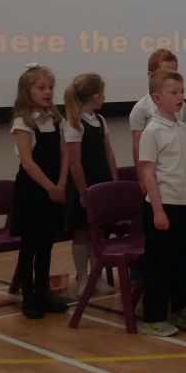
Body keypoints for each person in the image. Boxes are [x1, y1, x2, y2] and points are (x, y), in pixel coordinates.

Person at [138, 69, 186, 337]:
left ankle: (182, 304)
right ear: (157, 98)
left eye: (182, 91)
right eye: (173, 92)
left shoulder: (182, 127)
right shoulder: (152, 131)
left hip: (183, 204)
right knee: (159, 263)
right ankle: (153, 316)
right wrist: (157, 210)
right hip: (162, 206)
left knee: (182, 259)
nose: (180, 96)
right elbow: (147, 172)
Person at [10, 64, 68, 320]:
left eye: (50, 87)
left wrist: (62, 183)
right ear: (27, 91)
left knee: (46, 244)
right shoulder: (23, 122)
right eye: (41, 87)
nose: (47, 92)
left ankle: (44, 294)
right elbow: (27, 162)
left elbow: (65, 153)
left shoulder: (56, 120)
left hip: (54, 189)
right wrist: (50, 187)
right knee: (30, 246)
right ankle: (29, 297)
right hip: (32, 193)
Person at [63, 72, 118, 297]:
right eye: (103, 93)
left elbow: (109, 153)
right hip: (84, 187)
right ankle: (83, 278)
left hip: (102, 183)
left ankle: (97, 277)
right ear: (95, 96)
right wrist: (83, 192)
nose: (104, 97)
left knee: (99, 232)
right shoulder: (75, 124)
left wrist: (115, 181)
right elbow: (75, 163)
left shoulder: (100, 120)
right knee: (83, 233)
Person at [131, 49, 186, 178]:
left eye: (174, 73)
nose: (172, 78)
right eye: (166, 73)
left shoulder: (182, 106)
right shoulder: (140, 108)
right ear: (151, 75)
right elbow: (138, 149)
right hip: (159, 175)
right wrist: (142, 180)